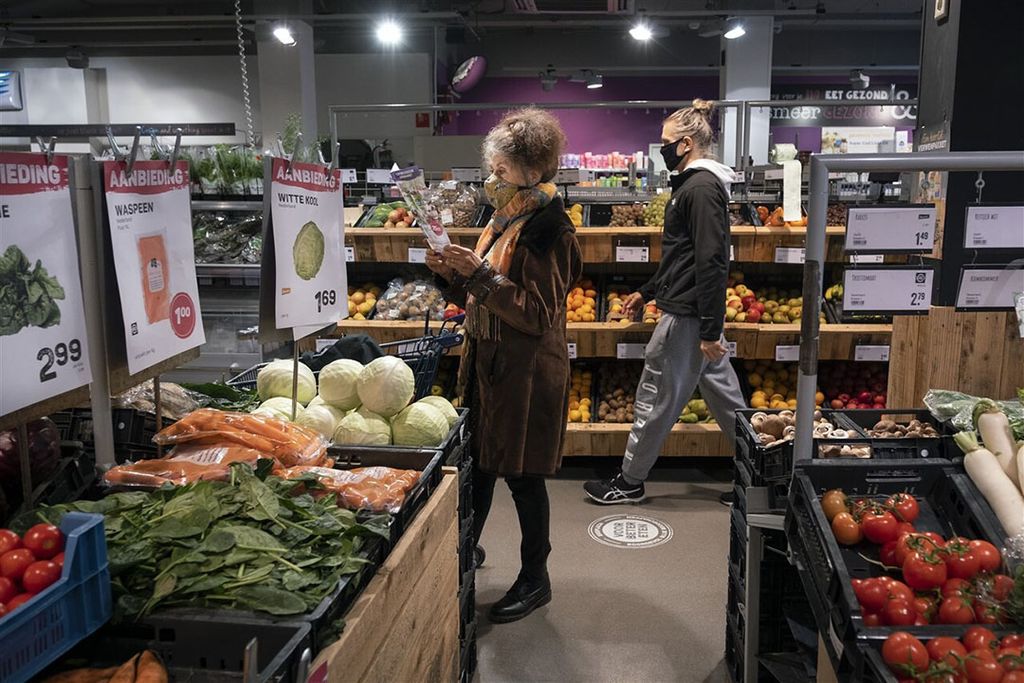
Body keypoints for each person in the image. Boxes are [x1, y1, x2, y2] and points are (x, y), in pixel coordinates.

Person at [426, 107, 582, 623]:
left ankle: (537, 579)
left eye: (503, 171)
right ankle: (465, 551)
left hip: (527, 373)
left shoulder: (549, 229)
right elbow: (483, 293)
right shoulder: (507, 217)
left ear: (534, 170)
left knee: (522, 476)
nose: (493, 179)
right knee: (481, 468)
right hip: (492, 366)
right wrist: (449, 275)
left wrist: (479, 276)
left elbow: (537, 314)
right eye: (491, 168)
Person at [583, 99, 746, 506]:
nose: (662, 149)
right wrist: (647, 291)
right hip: (692, 311)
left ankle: (630, 480)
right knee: (729, 403)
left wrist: (709, 328)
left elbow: (711, 260)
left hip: (688, 318)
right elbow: (683, 256)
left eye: (666, 142)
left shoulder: (701, 189)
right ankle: (760, 477)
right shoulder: (695, 186)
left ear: (686, 144)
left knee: (653, 397)